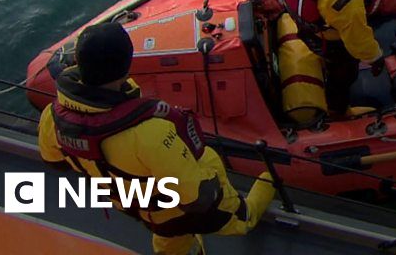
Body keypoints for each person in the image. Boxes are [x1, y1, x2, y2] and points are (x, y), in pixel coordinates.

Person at [37, 21, 276, 255]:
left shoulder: (52, 116)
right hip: (178, 207)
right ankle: (271, 179)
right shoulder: (150, 134)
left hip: (137, 207)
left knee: (168, 236)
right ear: (126, 64)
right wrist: (212, 175)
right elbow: (198, 197)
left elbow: (54, 162)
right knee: (242, 219)